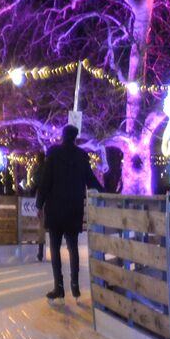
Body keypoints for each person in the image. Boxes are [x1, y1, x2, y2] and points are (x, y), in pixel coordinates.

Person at [35, 125, 103, 301]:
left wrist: (38, 204)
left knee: (55, 248)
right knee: (73, 247)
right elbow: (91, 180)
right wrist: (108, 193)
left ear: (63, 136)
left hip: (55, 210)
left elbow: (45, 181)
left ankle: (59, 287)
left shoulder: (54, 154)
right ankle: (75, 285)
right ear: (75, 137)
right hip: (73, 209)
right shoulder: (81, 157)